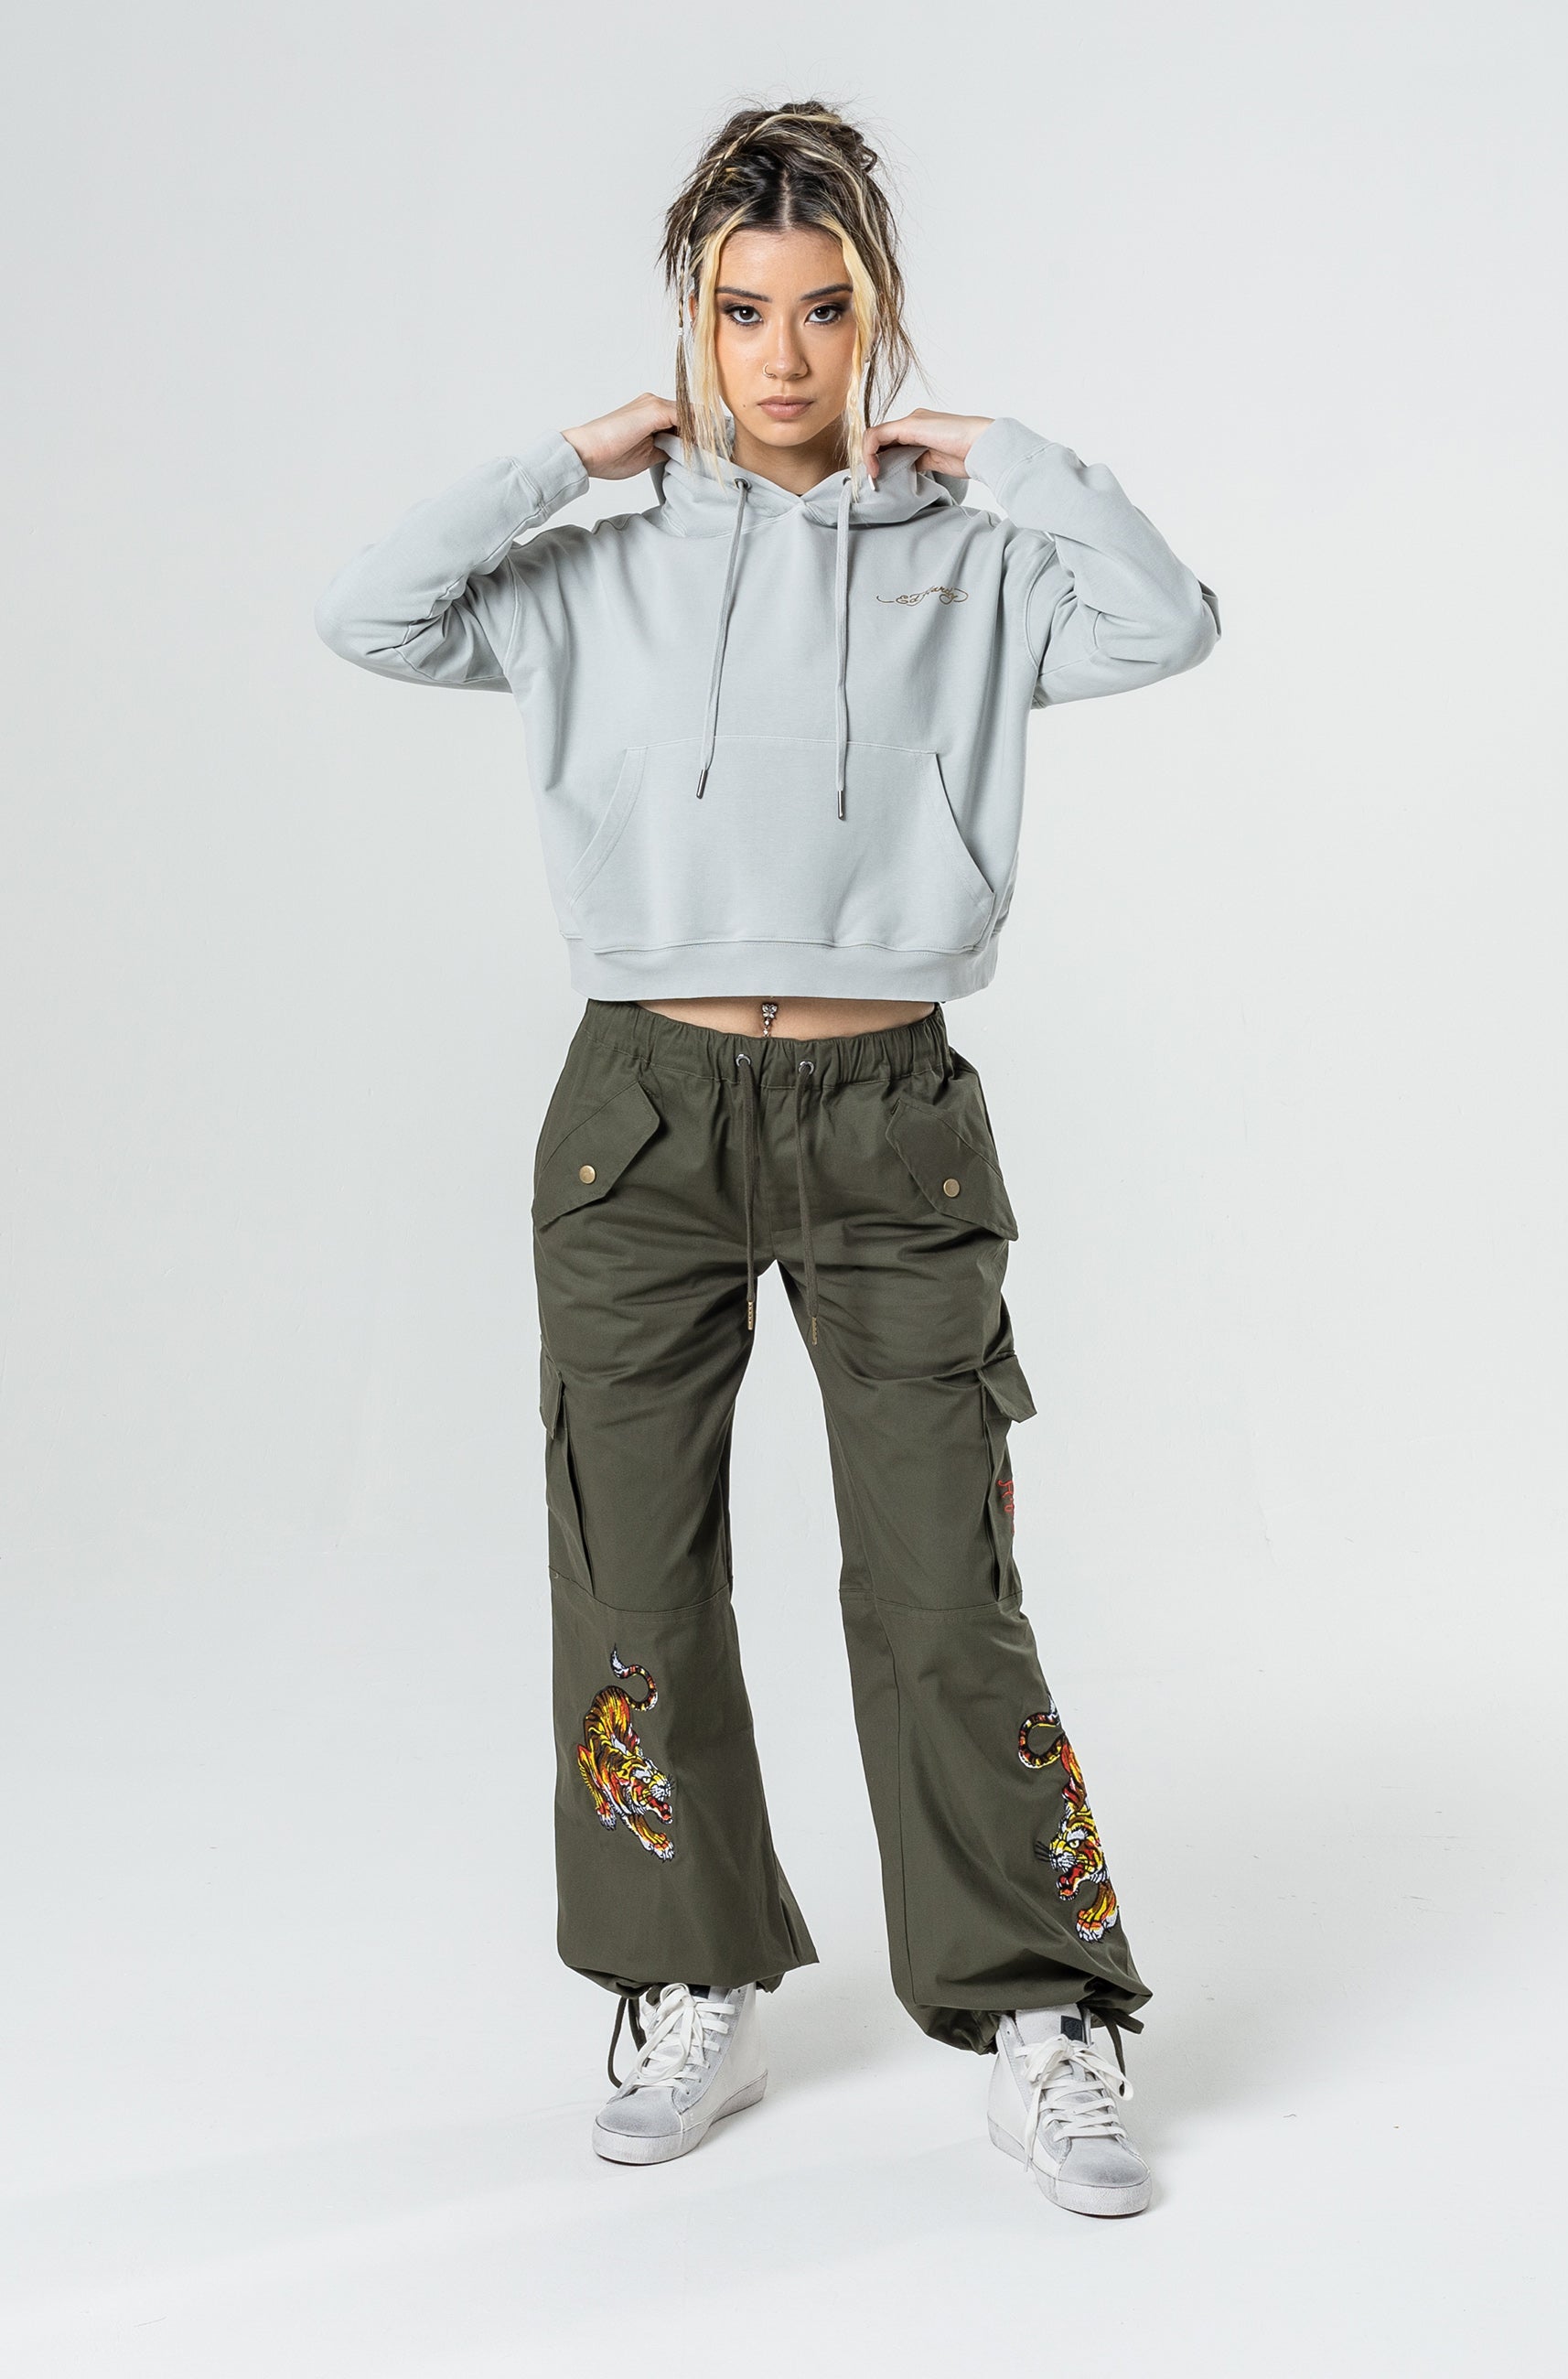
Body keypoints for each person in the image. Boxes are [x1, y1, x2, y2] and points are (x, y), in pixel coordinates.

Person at [314, 98, 1219, 2219]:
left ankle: (1038, 2003)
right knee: (633, 1573)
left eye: (824, 311)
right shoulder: (599, 568)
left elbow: (1168, 624)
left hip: (890, 1111)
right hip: (643, 1108)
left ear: (877, 318)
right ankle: (682, 1966)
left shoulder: (973, 561)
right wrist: (565, 460)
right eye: (742, 311)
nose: (784, 355)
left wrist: (1019, 462)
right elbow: (371, 612)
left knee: (942, 1583)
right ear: (692, 317)